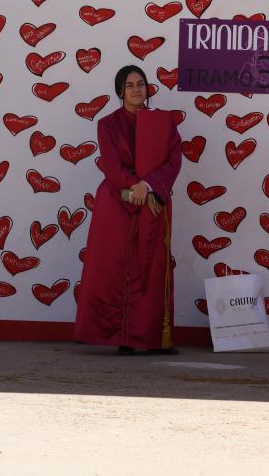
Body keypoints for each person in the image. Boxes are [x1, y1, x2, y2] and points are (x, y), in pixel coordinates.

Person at [74, 65, 182, 355]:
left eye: (141, 84)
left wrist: (147, 186)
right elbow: (111, 165)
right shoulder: (108, 124)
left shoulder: (164, 123)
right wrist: (133, 189)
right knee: (116, 267)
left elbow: (174, 160)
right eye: (130, 85)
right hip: (117, 202)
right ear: (120, 90)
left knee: (154, 267)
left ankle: (152, 337)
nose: (136, 89)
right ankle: (123, 337)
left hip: (153, 201)